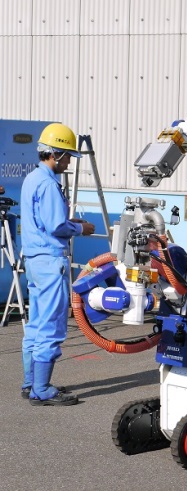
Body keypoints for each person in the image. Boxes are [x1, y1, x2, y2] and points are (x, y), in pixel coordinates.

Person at [20, 123, 95, 406]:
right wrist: (80, 229)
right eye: (66, 157)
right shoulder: (50, 184)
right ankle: (42, 389)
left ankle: (30, 383)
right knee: (51, 325)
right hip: (51, 261)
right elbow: (55, 226)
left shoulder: (32, 179)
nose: (67, 163)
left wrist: (69, 223)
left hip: (34, 260)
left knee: (36, 324)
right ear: (54, 154)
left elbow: (42, 221)